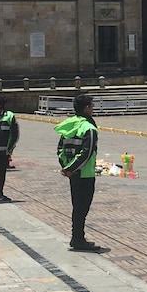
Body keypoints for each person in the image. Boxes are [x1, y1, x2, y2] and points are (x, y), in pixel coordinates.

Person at [55, 94, 102, 252]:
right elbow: (86, 153)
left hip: (73, 174)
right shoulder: (89, 128)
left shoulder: (69, 126)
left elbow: (60, 149)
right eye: (91, 106)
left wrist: (66, 167)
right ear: (86, 108)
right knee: (82, 206)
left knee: (77, 206)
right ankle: (78, 238)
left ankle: (77, 236)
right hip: (85, 174)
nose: (93, 108)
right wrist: (71, 169)